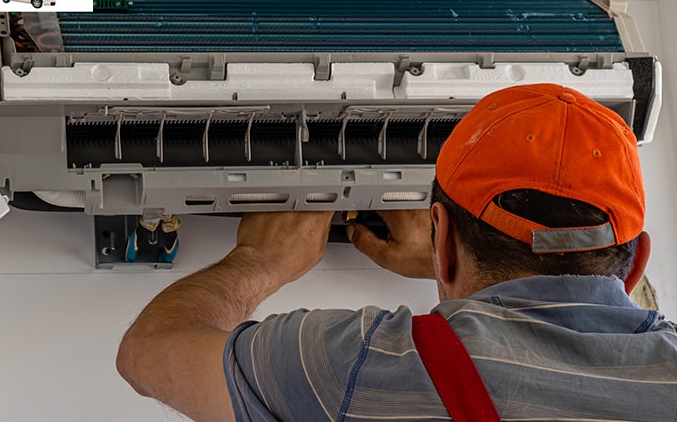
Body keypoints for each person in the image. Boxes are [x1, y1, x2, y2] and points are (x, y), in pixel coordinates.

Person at [116, 83, 677, 421]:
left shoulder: (356, 363)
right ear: (638, 263)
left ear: (443, 236)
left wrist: (256, 263)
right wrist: (452, 269)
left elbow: (147, 354)